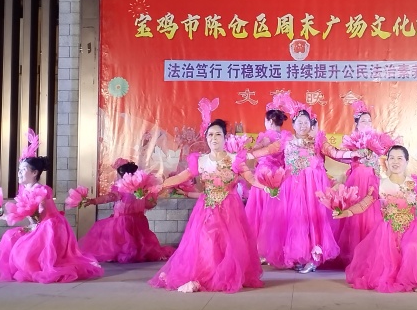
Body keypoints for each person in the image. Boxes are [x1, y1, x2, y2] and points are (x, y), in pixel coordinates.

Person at [149, 114, 264, 293]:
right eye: (210, 135)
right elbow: (182, 176)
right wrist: (160, 185)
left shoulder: (235, 159)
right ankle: (207, 275)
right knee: (206, 242)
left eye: (218, 134)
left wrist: (268, 186)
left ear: (225, 137)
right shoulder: (201, 161)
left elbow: (251, 178)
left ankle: (225, 275)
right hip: (207, 208)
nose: (214, 138)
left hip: (230, 209)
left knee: (229, 244)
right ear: (206, 138)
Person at [256, 97, 365, 273]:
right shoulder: (286, 141)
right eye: (299, 122)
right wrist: (244, 155)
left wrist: (354, 154)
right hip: (292, 188)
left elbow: (335, 153)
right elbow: (267, 150)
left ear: (311, 123)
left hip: (313, 188)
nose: (302, 125)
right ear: (293, 124)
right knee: (295, 220)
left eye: (306, 122)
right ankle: (299, 255)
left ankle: (314, 258)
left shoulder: (317, 141)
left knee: (313, 219)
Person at [336, 145, 417, 293]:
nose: (395, 162)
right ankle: (404, 280)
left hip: (412, 229)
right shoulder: (379, 184)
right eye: (392, 158)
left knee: (413, 248)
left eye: (399, 158)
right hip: (386, 231)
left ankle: (416, 280)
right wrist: (346, 212)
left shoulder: (415, 185)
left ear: (406, 161)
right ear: (387, 161)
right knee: (387, 259)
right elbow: (364, 204)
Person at [0, 130, 103, 283]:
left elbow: (38, 214)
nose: (19, 173)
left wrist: (30, 224)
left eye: (23, 170)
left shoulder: (41, 190)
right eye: (19, 170)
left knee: (24, 249)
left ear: (34, 173)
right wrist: (4, 215)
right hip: (37, 226)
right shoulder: (24, 190)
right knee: (9, 237)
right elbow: (22, 213)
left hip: (50, 227)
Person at [77, 159, 174, 263]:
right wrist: (150, 200)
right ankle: (134, 253)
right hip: (138, 220)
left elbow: (109, 197)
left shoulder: (123, 187)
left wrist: (93, 201)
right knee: (137, 240)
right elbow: (149, 204)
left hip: (123, 221)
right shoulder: (142, 188)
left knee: (121, 239)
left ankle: (122, 253)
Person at [334, 100, 392, 266]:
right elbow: (341, 156)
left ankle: (370, 254)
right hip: (357, 180)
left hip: (372, 180)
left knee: (372, 216)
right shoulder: (352, 140)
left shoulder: (378, 140)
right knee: (355, 216)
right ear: (357, 124)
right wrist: (356, 154)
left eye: (369, 121)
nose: (367, 123)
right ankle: (353, 255)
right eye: (363, 121)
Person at [245, 96, 291, 258]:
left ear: (270, 121)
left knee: (260, 212)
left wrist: (244, 150)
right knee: (276, 213)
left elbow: (253, 152)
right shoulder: (286, 138)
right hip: (279, 176)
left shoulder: (266, 136)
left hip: (264, 175)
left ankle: (260, 250)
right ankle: (275, 249)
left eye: (265, 121)